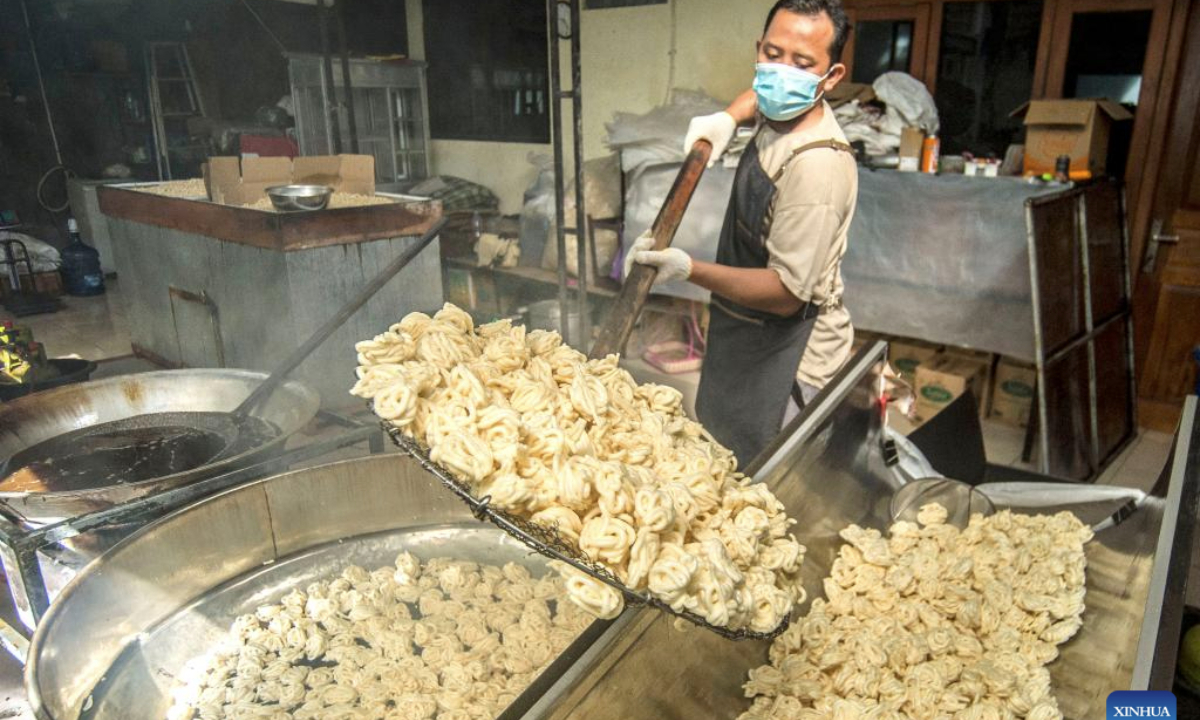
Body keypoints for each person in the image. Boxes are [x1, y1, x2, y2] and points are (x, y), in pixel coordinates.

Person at [624, 0, 857, 464]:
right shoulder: (782, 107)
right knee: (721, 445)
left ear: (830, 78)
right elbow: (763, 92)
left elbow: (788, 292)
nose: (782, 71)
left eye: (803, 63)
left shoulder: (817, 167)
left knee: (765, 480)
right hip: (748, 330)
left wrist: (687, 268)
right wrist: (729, 116)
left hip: (790, 357)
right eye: (773, 54)